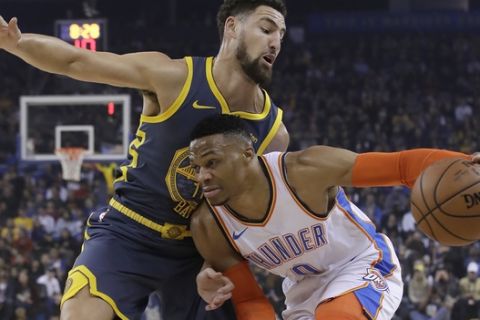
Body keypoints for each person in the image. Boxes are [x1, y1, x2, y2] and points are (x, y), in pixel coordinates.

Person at [0, 1, 289, 319]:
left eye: (281, 34)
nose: (275, 41)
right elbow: (76, 60)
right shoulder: (173, 77)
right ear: (232, 27)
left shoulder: (274, 133)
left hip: (198, 250)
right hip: (129, 231)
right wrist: (15, 42)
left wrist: (211, 263)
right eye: (266, 29)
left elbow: (237, 213)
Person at [189, 114, 477, 320]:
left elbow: (401, 167)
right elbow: (250, 300)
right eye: (197, 167)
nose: (203, 176)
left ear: (247, 153)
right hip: (302, 293)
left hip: (361, 264)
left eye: (212, 162)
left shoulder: (304, 171)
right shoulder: (209, 224)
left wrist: (465, 164)